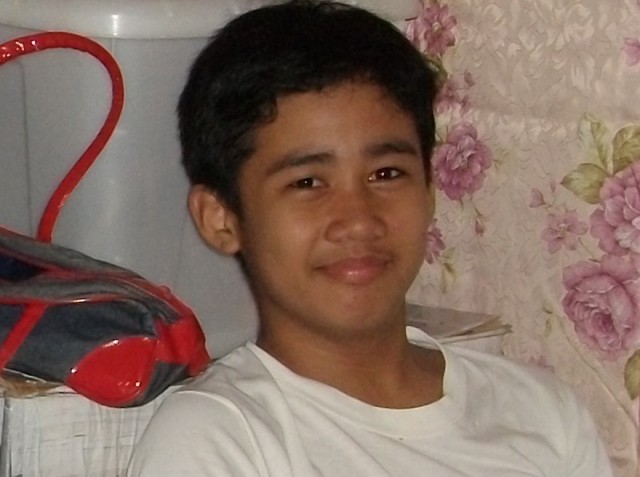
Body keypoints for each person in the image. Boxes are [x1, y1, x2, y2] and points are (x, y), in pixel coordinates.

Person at [127, 1, 613, 475]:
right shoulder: (219, 439)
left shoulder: (540, 413)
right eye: (307, 183)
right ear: (221, 218)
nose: (358, 220)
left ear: (429, 191)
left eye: (386, 174)